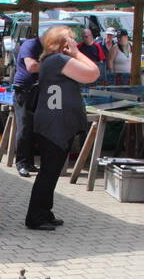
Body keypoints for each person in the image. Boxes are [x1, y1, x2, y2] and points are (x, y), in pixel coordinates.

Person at [25, 25, 99, 231]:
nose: (74, 44)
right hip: (54, 124)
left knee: (51, 171)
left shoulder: (50, 61)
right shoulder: (58, 60)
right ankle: (36, 216)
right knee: (49, 172)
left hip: (54, 122)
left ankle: (44, 213)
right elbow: (93, 73)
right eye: (71, 41)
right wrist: (77, 53)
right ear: (63, 44)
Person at [12, 34, 42, 177]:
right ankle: (21, 163)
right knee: (24, 128)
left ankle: (29, 163)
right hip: (23, 91)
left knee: (33, 128)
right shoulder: (30, 44)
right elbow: (31, 66)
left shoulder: (48, 48)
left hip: (37, 90)